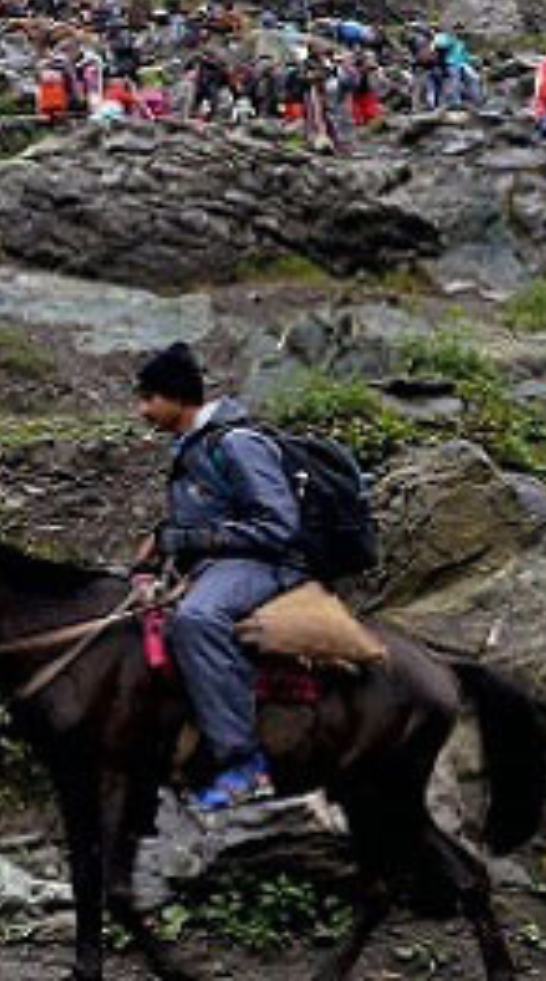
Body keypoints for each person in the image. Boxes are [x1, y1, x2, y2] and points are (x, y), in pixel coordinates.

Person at [132, 343, 304, 813]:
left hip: (271, 564)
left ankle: (245, 764)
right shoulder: (191, 446)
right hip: (222, 563)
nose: (142, 410)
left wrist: (191, 540)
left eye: (149, 398)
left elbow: (279, 526)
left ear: (176, 397)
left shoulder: (235, 443)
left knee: (196, 619)